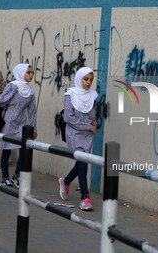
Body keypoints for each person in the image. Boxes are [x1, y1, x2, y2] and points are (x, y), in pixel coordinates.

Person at [58, 67, 98, 211]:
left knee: (81, 163)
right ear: (79, 78)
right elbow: (69, 118)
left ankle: (65, 181)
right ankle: (84, 197)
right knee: (82, 163)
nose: (88, 83)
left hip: (87, 135)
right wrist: (88, 126)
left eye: (91, 80)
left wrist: (94, 122)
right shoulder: (70, 94)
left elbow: (92, 115)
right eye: (85, 79)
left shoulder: (93, 95)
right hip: (74, 133)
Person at [0, 63, 37, 188]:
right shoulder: (12, 86)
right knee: (6, 151)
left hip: (22, 124)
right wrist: (12, 91)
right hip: (9, 122)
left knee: (24, 151)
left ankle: (16, 176)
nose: (31, 75)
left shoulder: (30, 91)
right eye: (28, 72)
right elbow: (1, 102)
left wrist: (34, 128)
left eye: (32, 72)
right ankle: (5, 178)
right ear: (21, 73)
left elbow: (32, 111)